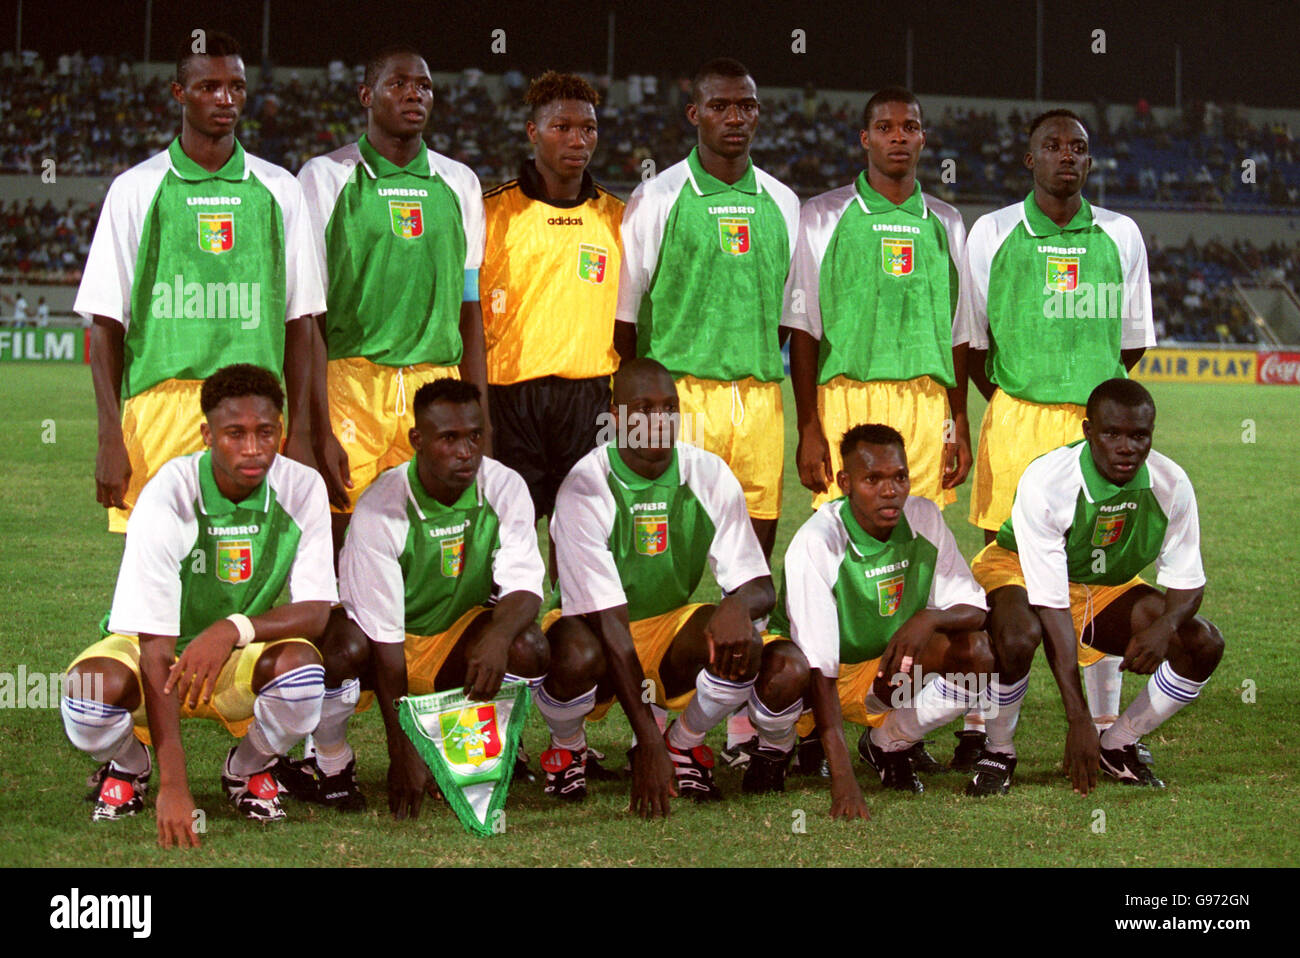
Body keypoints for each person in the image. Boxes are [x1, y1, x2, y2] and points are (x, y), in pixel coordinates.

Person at [60, 364, 336, 846]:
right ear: (207, 434)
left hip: (234, 653)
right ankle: (131, 764)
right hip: (155, 650)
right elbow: (154, 647)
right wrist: (175, 786)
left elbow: (315, 611)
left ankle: (247, 768)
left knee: (303, 675)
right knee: (86, 693)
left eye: (265, 432)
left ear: (281, 431)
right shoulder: (168, 495)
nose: (253, 449)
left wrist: (230, 629)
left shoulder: (302, 486)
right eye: (235, 434)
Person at [959, 109, 1156, 762]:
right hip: (1016, 423)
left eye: (1078, 147)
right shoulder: (991, 233)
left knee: (1097, 568)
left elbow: (1129, 346)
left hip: (1097, 432)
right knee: (1008, 575)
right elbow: (974, 342)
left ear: (1090, 162)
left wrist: (1090, 406)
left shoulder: (1121, 235)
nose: (1065, 156)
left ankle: (1102, 729)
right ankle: (985, 732)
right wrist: (1023, 398)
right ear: (1029, 158)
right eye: (1052, 145)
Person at [75, 31, 324, 533]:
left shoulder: (280, 189)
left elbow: (301, 322)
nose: (225, 98)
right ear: (179, 93)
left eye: (236, 86)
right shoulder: (135, 189)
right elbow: (105, 324)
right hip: (158, 413)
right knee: (153, 587)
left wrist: (300, 431)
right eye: (209, 86)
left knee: (243, 572)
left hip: (252, 418)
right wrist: (109, 434)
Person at [277, 378, 548, 819]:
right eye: (449, 438)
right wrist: (401, 751)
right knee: (338, 650)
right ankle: (331, 762)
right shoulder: (381, 508)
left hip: (449, 641)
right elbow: (385, 645)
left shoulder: (505, 486)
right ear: (417, 441)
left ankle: (466, 750)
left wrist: (498, 636)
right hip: (382, 647)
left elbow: (525, 587)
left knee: (524, 644)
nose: (467, 451)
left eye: (475, 436)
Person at [536, 359, 775, 814]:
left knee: (742, 636)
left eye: (668, 407)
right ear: (615, 413)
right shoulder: (586, 485)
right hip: (594, 632)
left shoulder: (708, 473)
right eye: (642, 408)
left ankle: (684, 743)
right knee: (573, 654)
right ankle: (567, 748)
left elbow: (760, 584)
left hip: (666, 629)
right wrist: (644, 742)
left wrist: (737, 602)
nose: (658, 420)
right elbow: (609, 622)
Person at [966, 379, 1223, 796]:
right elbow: (1051, 608)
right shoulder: (1048, 482)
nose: (1127, 447)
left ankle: (1118, 745)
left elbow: (1187, 580)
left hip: (1099, 583)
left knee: (1202, 642)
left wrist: (1167, 625)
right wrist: (1078, 718)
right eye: (1112, 434)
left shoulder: (1171, 483)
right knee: (1018, 637)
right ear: (1088, 432)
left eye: (1139, 435)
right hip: (1018, 569)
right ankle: (998, 750)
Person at [297, 46, 488, 551]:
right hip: (350, 388)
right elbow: (307, 315)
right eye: (398, 84)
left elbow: (471, 311)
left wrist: (479, 416)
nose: (413, 94)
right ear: (366, 96)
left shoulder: (460, 182)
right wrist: (315, 426)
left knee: (434, 543)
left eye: (423, 85)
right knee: (343, 540)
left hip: (436, 385)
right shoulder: (325, 177)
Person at [614, 57, 799, 562]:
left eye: (746, 106)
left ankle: (750, 631)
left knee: (755, 539)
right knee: (662, 544)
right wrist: (643, 405)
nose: (735, 117)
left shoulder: (783, 202)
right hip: (679, 396)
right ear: (695, 114)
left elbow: (783, 313)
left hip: (760, 400)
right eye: (720, 106)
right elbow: (625, 320)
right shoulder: (657, 196)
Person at [757, 424, 990, 813]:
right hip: (810, 683)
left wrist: (929, 619)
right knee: (786, 670)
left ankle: (887, 743)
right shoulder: (818, 541)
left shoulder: (924, 517)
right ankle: (774, 749)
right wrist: (843, 780)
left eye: (899, 477)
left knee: (976, 654)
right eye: (873, 479)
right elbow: (821, 669)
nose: (890, 490)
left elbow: (975, 608)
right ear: (845, 482)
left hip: (882, 671)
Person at [784, 87, 972, 513]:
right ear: (865, 138)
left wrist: (958, 421)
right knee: (840, 536)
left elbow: (958, 332)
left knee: (918, 534)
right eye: (885, 128)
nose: (898, 137)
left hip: (925, 403)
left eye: (910, 128)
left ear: (924, 138)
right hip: (845, 397)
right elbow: (803, 328)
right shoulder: (821, 215)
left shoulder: (948, 221)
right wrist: (809, 426)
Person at [480, 71, 624, 564]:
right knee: (504, 542)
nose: (578, 140)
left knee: (583, 542)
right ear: (531, 131)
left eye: (588, 128)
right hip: (509, 401)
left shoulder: (619, 217)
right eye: (562, 126)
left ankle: (575, 630)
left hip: (589, 401)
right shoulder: (489, 214)